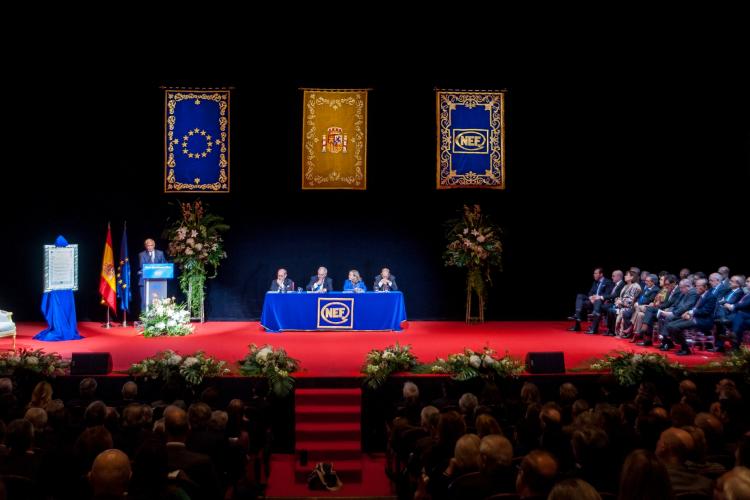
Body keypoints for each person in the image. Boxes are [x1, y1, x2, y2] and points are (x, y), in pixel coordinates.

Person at [568, 267, 613, 332]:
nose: (594, 275)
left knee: (597, 301)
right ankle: (577, 319)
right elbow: (590, 292)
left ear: (601, 274)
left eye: (595, 273)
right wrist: (591, 297)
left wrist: (598, 297)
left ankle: (593, 329)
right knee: (580, 297)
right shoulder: (595, 282)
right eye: (594, 273)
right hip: (592, 301)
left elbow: (607, 294)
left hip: (600, 302)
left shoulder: (608, 282)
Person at [138, 238, 166, 311]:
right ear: (145, 246)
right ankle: (144, 318)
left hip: (158, 281)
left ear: (154, 245)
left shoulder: (160, 253)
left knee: (158, 300)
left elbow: (164, 266)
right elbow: (142, 266)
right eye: (148, 246)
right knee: (144, 301)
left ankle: (158, 318)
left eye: (151, 245)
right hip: (145, 281)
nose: (150, 247)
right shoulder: (142, 254)